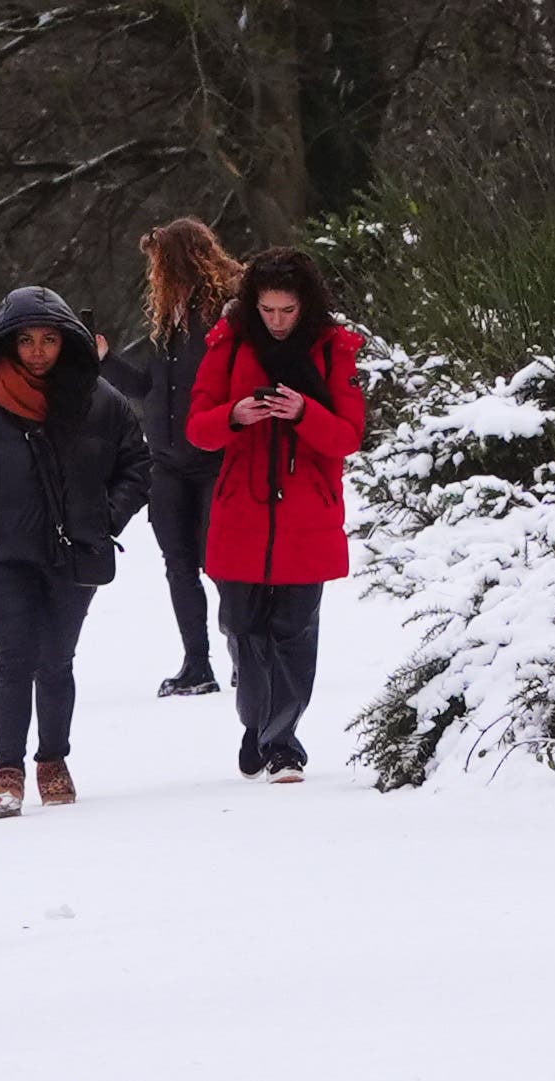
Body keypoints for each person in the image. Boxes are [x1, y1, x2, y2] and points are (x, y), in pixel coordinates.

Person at [0, 283, 154, 816]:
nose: (36, 351)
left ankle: (53, 760)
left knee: (56, 660)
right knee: (16, 660)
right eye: (25, 339)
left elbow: (137, 468)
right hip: (3, 557)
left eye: (48, 339)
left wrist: (104, 517)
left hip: (77, 552)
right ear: (6, 344)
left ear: (66, 340)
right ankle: (7, 770)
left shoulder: (102, 402)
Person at [183, 245, 367, 782]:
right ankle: (257, 723)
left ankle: (282, 741)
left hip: (308, 510)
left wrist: (305, 412)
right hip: (241, 508)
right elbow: (197, 428)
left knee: (293, 630)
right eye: (268, 310)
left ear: (305, 304)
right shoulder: (228, 344)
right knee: (242, 626)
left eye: (288, 310)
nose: (279, 321)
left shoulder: (335, 349)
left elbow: (348, 437)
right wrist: (236, 415)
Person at [105, 219, 239, 699]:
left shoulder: (228, 315)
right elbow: (145, 389)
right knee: (178, 563)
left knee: (218, 562)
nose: (155, 274)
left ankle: (244, 650)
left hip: (214, 457)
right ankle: (197, 663)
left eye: (160, 262)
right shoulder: (168, 318)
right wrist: (105, 357)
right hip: (166, 460)